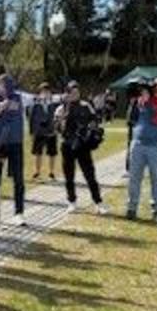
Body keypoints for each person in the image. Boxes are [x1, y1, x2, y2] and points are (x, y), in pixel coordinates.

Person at [126, 77, 157, 222]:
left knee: (156, 179)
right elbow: (132, 119)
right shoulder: (143, 98)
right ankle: (131, 208)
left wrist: (147, 103)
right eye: (156, 85)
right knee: (134, 177)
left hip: (156, 146)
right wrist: (136, 101)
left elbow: (156, 119)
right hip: (138, 144)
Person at [54, 81, 107, 214]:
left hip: (83, 145)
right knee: (69, 176)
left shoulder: (86, 105)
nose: (75, 95)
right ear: (67, 93)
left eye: (77, 92)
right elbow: (57, 128)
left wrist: (90, 131)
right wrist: (63, 118)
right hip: (67, 145)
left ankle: (98, 202)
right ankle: (71, 201)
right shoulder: (60, 109)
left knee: (90, 175)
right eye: (71, 92)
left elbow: (95, 120)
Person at [0, 74, 27, 226]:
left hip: (15, 143)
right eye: (3, 85)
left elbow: (41, 98)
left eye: (9, 85)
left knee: (18, 178)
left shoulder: (21, 97)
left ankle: (19, 213)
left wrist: (62, 97)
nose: (6, 88)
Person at [28, 82, 59, 180]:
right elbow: (31, 118)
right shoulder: (35, 104)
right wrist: (32, 132)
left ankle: (51, 172)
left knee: (52, 153)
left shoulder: (54, 104)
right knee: (38, 153)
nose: (45, 93)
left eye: (47, 91)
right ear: (40, 92)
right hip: (39, 132)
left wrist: (57, 129)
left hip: (51, 131)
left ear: (50, 92)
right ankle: (37, 172)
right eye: (43, 91)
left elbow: (58, 117)